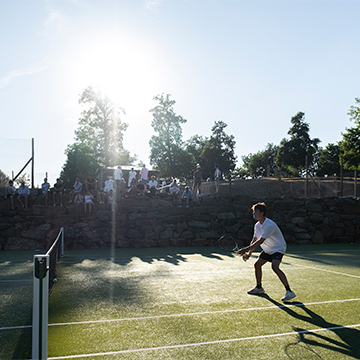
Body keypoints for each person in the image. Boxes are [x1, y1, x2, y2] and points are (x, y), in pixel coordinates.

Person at [236, 202, 296, 302]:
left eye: (256, 212)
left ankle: (289, 291)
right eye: (253, 212)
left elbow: (260, 241)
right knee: (257, 265)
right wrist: (249, 254)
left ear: (262, 213)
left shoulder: (269, 225)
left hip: (278, 248)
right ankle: (259, 288)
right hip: (268, 249)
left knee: (275, 267)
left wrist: (245, 249)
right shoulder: (257, 225)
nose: (254, 214)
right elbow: (254, 240)